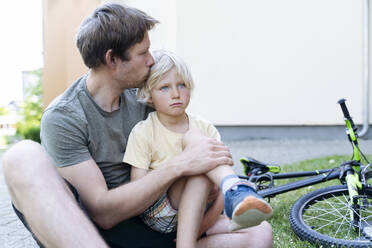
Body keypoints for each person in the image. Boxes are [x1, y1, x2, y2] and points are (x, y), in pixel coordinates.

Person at [2, 3, 273, 248]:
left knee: (259, 235)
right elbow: (103, 213)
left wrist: (208, 175)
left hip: (157, 223)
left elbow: (189, 137)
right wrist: (181, 164)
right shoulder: (65, 117)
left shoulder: (143, 94)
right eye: (143, 52)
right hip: (95, 233)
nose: (151, 60)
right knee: (21, 156)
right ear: (112, 59)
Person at [124, 50, 272, 248]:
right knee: (197, 155)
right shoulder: (144, 132)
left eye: (181, 85)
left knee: (262, 232)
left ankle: (233, 192)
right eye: (164, 88)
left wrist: (205, 224)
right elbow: (139, 190)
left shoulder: (205, 127)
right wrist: (183, 167)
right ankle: (237, 189)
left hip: (201, 213)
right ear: (149, 95)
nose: (175, 94)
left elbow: (219, 191)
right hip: (161, 213)